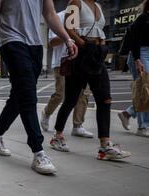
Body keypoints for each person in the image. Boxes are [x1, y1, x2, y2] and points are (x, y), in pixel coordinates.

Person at [0, 0, 78, 174]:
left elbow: (50, 15)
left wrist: (67, 38)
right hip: (12, 42)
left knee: (18, 96)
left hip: (35, 46)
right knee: (28, 97)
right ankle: (38, 152)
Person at [51, 0, 131, 160]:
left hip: (97, 55)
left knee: (105, 99)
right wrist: (84, 45)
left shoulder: (99, 7)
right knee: (71, 100)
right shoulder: (76, 2)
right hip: (81, 55)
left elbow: (98, 29)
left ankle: (105, 146)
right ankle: (57, 136)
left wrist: (99, 47)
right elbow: (69, 28)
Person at [41, 10, 94, 138]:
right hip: (63, 61)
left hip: (82, 62)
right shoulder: (58, 17)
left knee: (84, 94)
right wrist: (68, 35)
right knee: (61, 94)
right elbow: (51, 42)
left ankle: (77, 126)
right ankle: (46, 113)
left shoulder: (86, 17)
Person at [118, 0, 149, 137]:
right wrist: (137, 59)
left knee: (147, 90)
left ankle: (128, 113)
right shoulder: (143, 18)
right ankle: (142, 127)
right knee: (144, 89)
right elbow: (135, 39)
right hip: (141, 54)